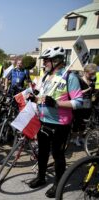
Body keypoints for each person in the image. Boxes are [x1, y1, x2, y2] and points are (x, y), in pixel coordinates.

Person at [28, 46, 83, 198]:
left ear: (57, 60)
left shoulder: (69, 77)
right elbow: (42, 96)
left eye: (46, 60)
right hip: (43, 120)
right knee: (43, 152)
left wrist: (57, 104)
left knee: (57, 154)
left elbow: (79, 102)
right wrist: (34, 98)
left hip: (60, 123)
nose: (44, 63)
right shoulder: (46, 76)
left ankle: (58, 183)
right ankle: (41, 177)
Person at [71, 63, 97, 146]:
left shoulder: (92, 80)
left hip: (88, 104)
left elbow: (93, 92)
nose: (92, 75)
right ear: (86, 72)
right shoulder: (79, 80)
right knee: (77, 122)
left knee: (84, 122)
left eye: (93, 74)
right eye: (91, 74)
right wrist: (88, 89)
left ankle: (80, 137)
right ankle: (74, 139)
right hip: (80, 104)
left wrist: (94, 91)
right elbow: (76, 93)